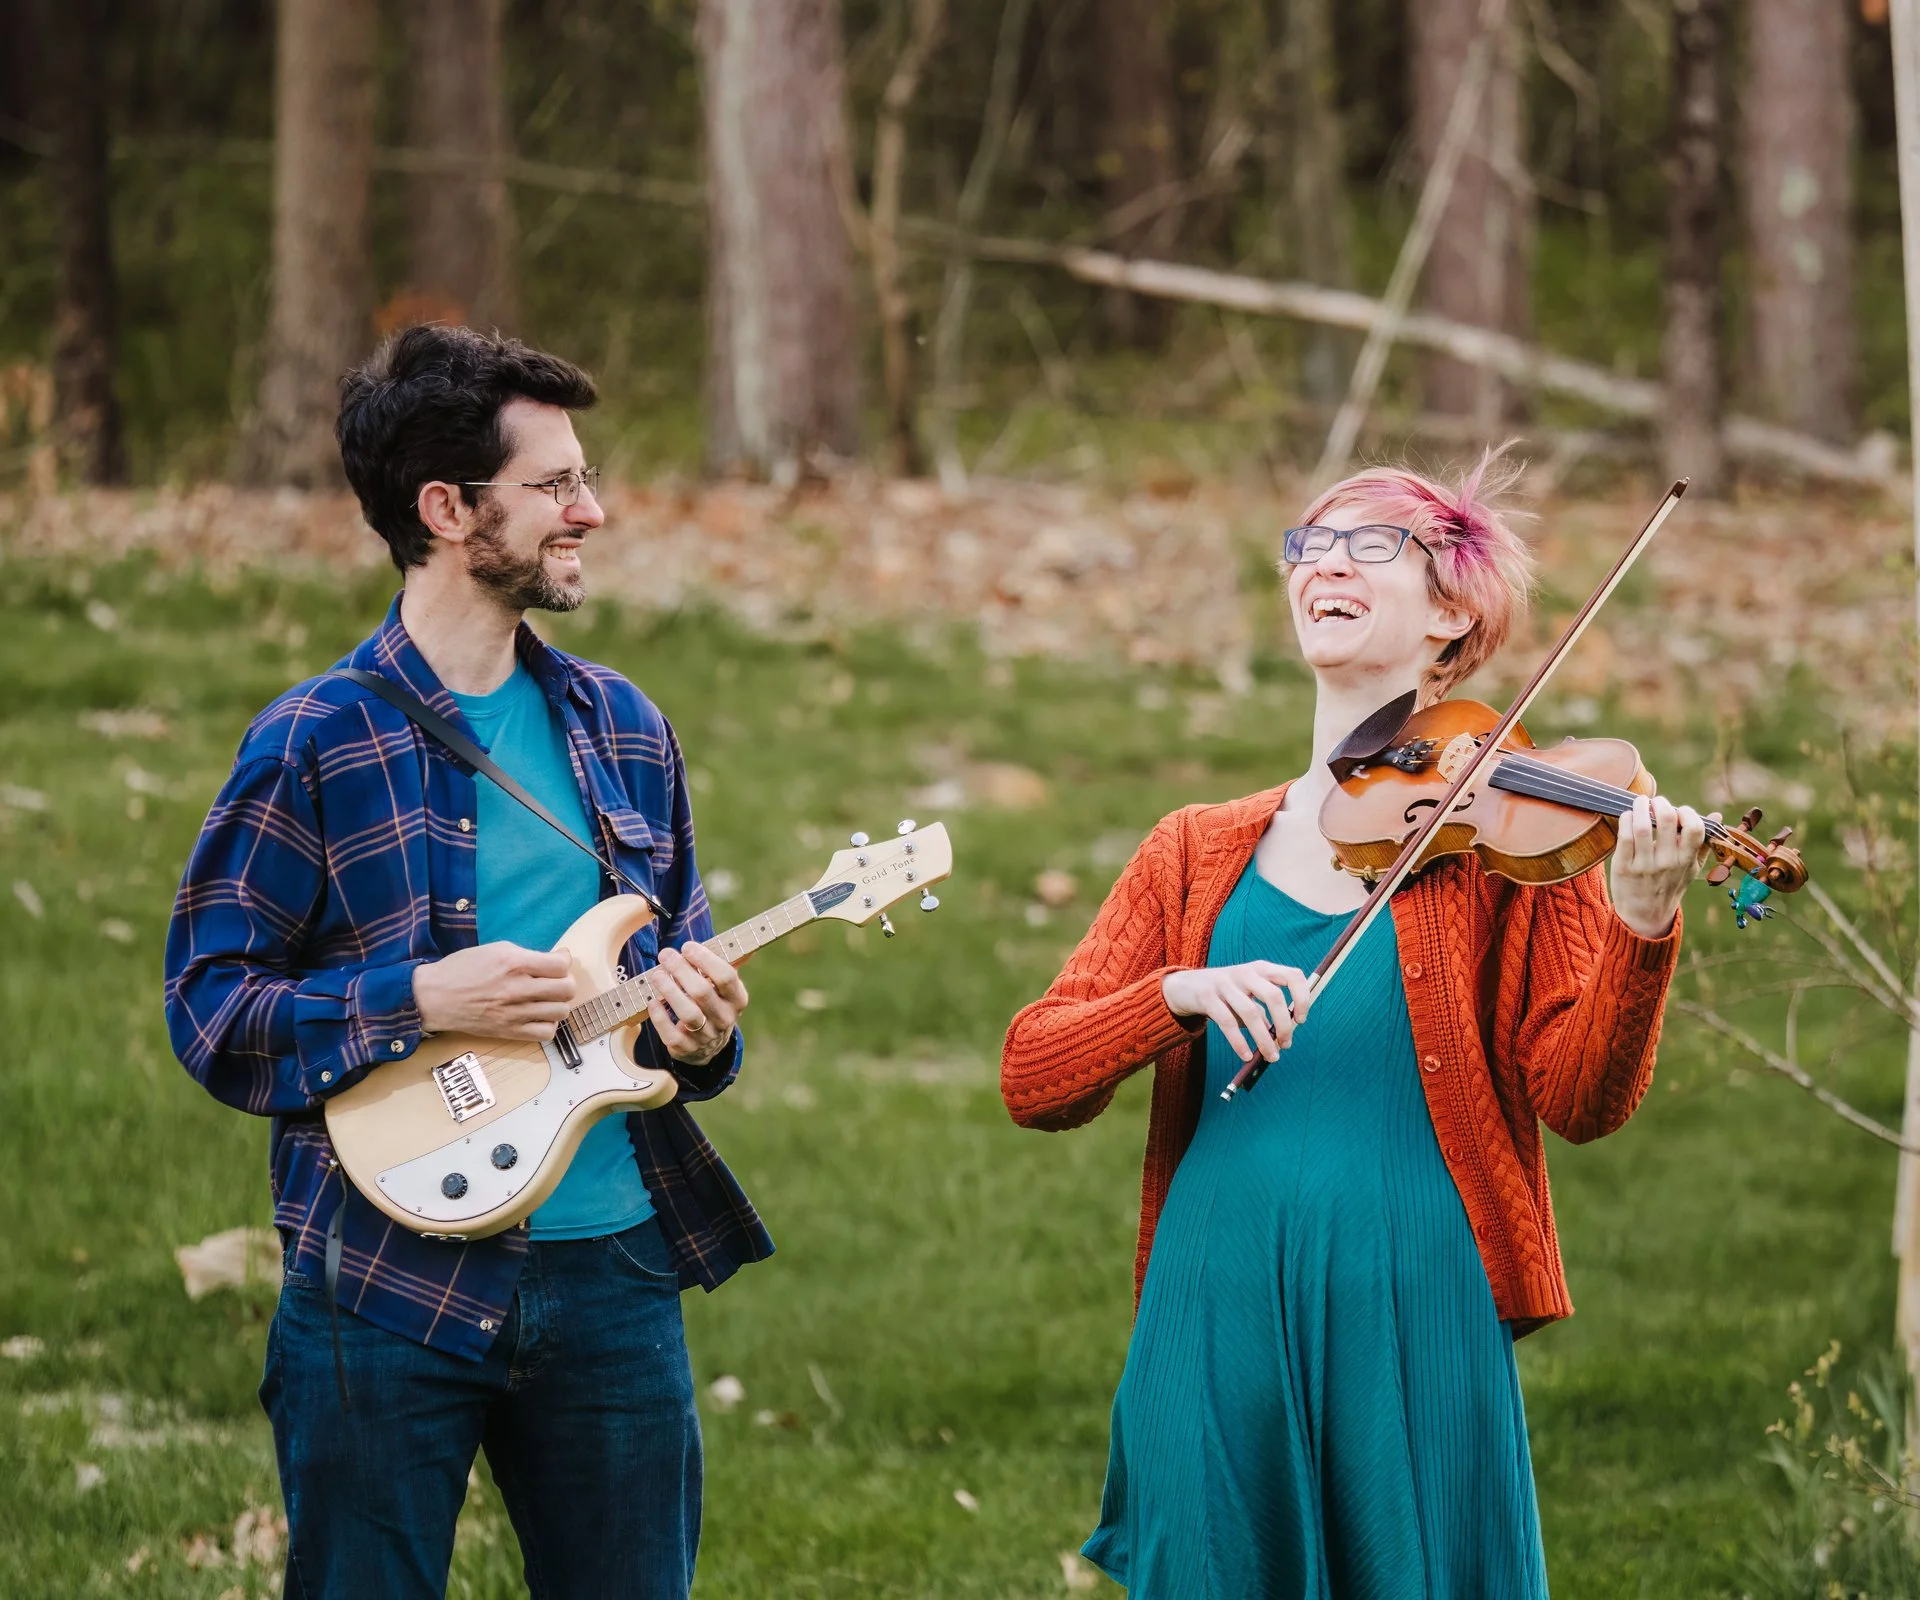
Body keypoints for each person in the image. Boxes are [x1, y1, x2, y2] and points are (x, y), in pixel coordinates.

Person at [1000, 452, 1708, 1598]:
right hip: (1213, 1300)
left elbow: (1583, 1101)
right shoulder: (1195, 845)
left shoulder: (1512, 836)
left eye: (1373, 544)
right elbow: (1033, 1074)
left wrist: (1638, 926)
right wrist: (1172, 995)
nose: (1325, 560)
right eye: (1309, 543)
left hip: (1416, 1304)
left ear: (1451, 614)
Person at [164, 324, 769, 1599]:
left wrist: (700, 1031)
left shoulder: (624, 726)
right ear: (446, 509)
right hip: (382, 1281)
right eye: (554, 485)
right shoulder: (314, 741)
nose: (591, 511)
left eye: (584, 479)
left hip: (612, 1273)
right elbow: (212, 1008)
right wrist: (418, 997)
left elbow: (672, 980)